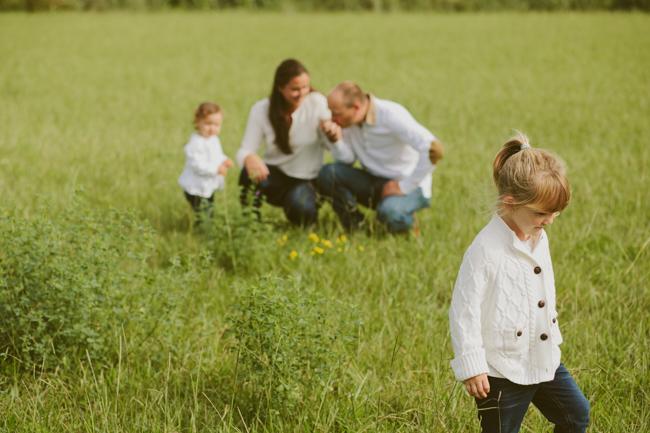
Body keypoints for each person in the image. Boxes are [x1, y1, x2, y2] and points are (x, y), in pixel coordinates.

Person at [448, 133, 590, 433]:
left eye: (555, 214)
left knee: (576, 414)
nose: (549, 220)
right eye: (541, 213)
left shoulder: (539, 236)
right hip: (502, 369)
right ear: (510, 202)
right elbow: (464, 311)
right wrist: (472, 365)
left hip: (544, 357)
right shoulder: (485, 249)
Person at [317, 81, 444, 233]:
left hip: (409, 185)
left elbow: (435, 149)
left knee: (390, 213)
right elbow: (347, 160)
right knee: (327, 174)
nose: (332, 118)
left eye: (336, 113)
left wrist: (403, 186)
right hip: (375, 181)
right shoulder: (349, 122)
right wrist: (336, 140)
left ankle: (407, 221)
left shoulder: (390, 114)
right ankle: (356, 226)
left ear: (356, 107)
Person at [236, 59, 347, 226]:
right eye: (295, 89)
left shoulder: (317, 103)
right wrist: (249, 158)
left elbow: (331, 147)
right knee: (247, 172)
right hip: (275, 176)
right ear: (280, 88)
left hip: (307, 179)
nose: (302, 93)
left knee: (301, 211)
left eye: (305, 87)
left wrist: (333, 136)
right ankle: (251, 224)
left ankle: (304, 217)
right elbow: (245, 149)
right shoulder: (261, 109)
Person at [178, 102, 233, 221]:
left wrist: (224, 160)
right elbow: (198, 166)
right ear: (198, 122)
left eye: (217, 125)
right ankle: (203, 230)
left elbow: (217, 155)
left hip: (207, 186)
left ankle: (206, 226)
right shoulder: (195, 143)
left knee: (209, 207)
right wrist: (216, 169)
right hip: (195, 187)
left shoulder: (214, 139)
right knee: (203, 213)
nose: (212, 128)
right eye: (208, 124)